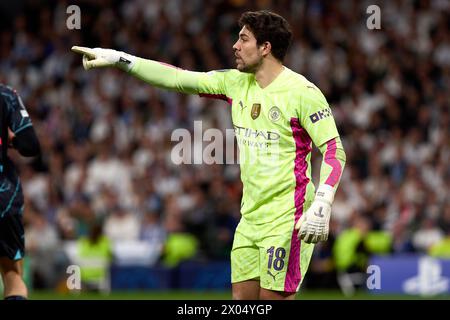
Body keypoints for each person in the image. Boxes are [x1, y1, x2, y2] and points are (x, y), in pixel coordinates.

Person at [71, 10, 346, 300]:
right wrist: (120, 58)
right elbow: (178, 78)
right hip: (250, 218)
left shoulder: (302, 92)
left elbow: (333, 149)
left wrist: (323, 202)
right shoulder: (235, 83)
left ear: (265, 48)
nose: (234, 46)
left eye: (243, 39)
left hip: (288, 218)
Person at [0, 84, 41, 300]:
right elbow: (30, 145)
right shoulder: (5, 95)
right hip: (3, 195)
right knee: (12, 274)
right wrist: (10, 139)